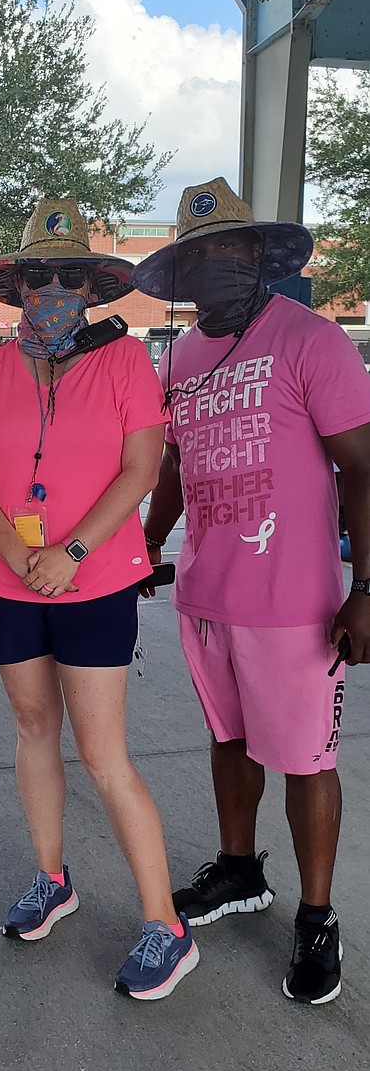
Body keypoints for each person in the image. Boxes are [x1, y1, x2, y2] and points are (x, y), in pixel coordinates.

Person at [134, 177, 370, 1005]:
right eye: (200, 255)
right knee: (229, 739)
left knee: (308, 758)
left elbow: (363, 469)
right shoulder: (183, 354)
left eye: (231, 249)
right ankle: (238, 870)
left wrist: (365, 586)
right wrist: (151, 539)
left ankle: (316, 915)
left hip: (297, 603)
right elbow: (174, 463)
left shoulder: (311, 341)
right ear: (183, 273)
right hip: (208, 596)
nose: (217, 266)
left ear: (260, 254)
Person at [0, 199, 199, 1000]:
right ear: (18, 284)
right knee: (32, 727)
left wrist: (71, 552)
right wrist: (22, 555)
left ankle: (167, 923)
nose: (51, 289)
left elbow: (141, 469)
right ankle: (51, 877)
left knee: (103, 752)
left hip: (93, 579)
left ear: (92, 287)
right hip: (5, 578)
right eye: (37, 276)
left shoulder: (126, 362)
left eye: (68, 277)